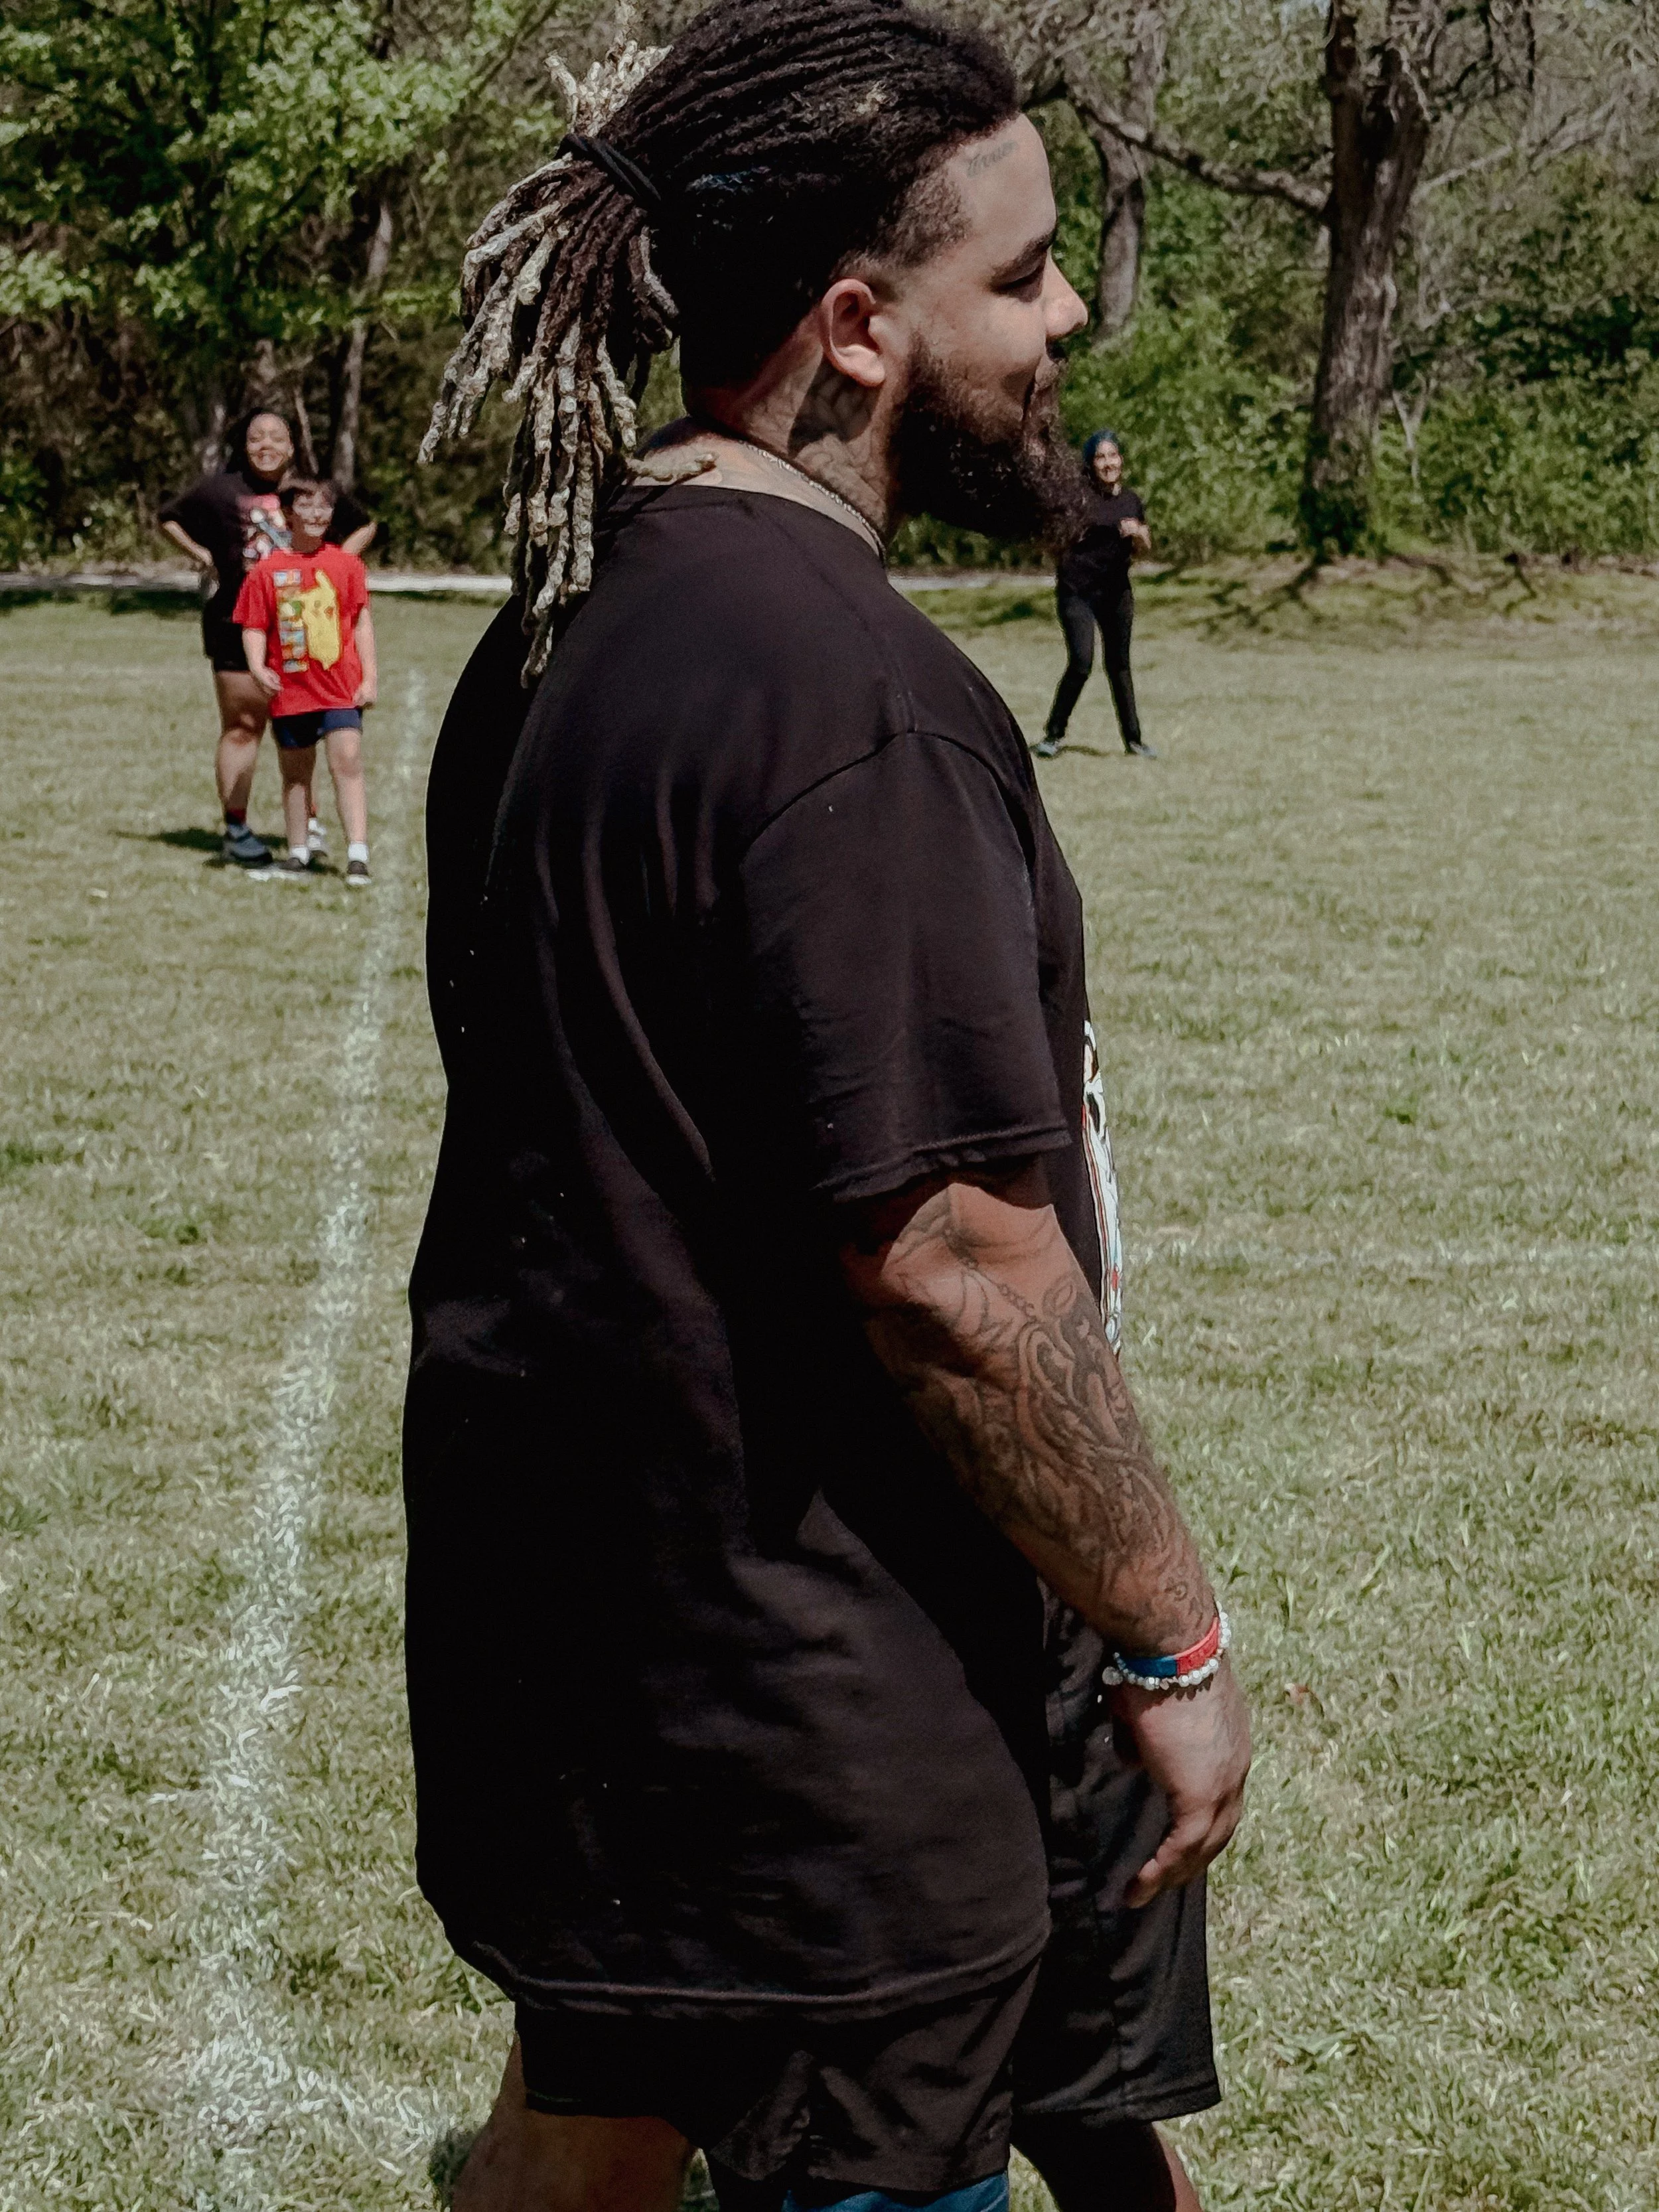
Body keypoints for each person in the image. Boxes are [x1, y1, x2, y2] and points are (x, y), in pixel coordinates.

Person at [407, 11, 1252, 2212]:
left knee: (581, 2141)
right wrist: (1166, 1630)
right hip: (821, 1729)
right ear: (860, 327)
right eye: (1024, 272)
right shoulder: (855, 702)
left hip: (593, 1656)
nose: (1067, 315)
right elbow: (957, 1267)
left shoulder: (560, 624)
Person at [157, 410, 375, 868]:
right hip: (237, 627)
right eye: (257, 438)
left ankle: (308, 825)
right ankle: (236, 828)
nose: (267, 445)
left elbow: (365, 523)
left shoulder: (307, 492)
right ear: (245, 445)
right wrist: (205, 557)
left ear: (293, 445)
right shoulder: (219, 490)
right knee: (243, 727)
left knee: (305, 732)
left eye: (277, 437)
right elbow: (170, 517)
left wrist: (332, 568)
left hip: (305, 636)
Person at [232, 477, 377, 884]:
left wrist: (370, 678)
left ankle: (357, 854)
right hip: (291, 691)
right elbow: (254, 625)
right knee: (296, 773)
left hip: (340, 688)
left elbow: (361, 622)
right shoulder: (267, 572)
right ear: (288, 512)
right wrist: (259, 668)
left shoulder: (347, 566)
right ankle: (298, 851)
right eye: (307, 505)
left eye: (325, 506)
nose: (316, 514)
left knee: (346, 760)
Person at [1035, 431, 1154, 761]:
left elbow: (1144, 549)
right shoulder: (1077, 500)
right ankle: (1053, 735)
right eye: (1100, 458)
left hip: (1116, 594)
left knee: (1119, 666)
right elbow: (1051, 538)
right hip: (1078, 595)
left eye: (1113, 456)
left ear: (1121, 460)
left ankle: (1134, 741)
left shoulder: (1131, 500)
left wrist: (1140, 534)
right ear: (1090, 464)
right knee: (1082, 662)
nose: (1108, 463)